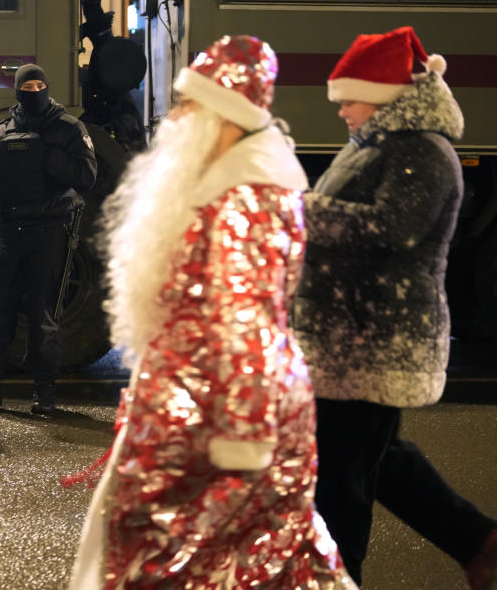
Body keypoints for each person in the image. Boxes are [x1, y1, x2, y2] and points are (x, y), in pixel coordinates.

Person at [65, 36, 356, 589]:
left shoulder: (239, 197)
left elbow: (246, 322)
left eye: (186, 105)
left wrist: (241, 441)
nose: (174, 118)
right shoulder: (235, 181)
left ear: (221, 114)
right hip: (204, 410)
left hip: (219, 425)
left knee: (201, 565)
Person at [292, 26, 497, 589]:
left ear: (385, 97)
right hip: (350, 337)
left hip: (374, 340)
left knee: (341, 479)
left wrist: (302, 212)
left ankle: (338, 578)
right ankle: (477, 540)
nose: (341, 112)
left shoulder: (422, 151)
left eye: (349, 100)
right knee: (374, 460)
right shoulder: (379, 147)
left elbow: (394, 228)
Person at [0, 63, 97, 415]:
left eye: (40, 85)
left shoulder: (68, 128)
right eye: (27, 87)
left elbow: (86, 176)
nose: (34, 92)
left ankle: (44, 393)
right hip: (10, 231)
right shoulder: (1, 130)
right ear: (16, 90)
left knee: (43, 312)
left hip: (49, 231)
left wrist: (47, 156)